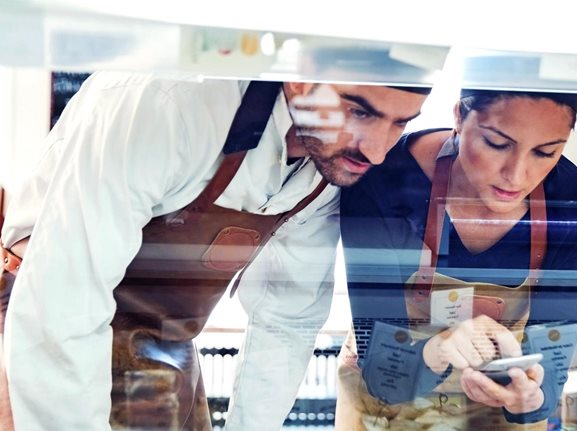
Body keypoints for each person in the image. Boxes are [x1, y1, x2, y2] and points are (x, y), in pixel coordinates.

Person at [0, 71, 430, 430]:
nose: (377, 151)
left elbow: (286, 322)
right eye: (358, 111)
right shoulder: (168, 105)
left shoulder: (328, 166)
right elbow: (65, 303)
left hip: (163, 343)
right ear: (299, 80)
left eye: (400, 123)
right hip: (36, 321)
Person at [338, 88, 577, 429]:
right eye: (497, 143)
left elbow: (550, 369)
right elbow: (381, 370)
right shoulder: (386, 183)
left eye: (545, 152)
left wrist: (529, 398)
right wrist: (441, 349)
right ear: (459, 118)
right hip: (386, 405)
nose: (516, 174)